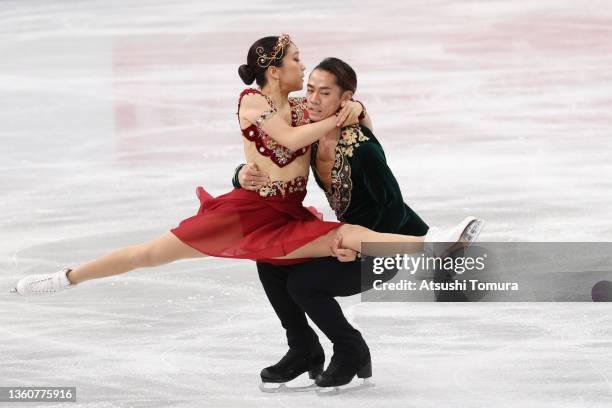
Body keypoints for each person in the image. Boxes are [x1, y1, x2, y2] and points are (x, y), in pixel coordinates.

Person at [11, 34, 482, 382]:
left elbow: (339, 113)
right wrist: (243, 176)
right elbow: (291, 139)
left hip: (286, 215)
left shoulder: (303, 106)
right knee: (150, 253)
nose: (304, 68)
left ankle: (429, 246)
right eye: (297, 60)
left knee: (340, 239)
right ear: (275, 69)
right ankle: (65, 278)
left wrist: (351, 112)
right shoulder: (253, 102)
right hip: (243, 213)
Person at [233, 56, 483, 389]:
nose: (312, 100)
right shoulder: (309, 135)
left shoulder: (362, 149)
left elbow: (393, 209)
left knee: (303, 284)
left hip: (383, 251)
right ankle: (303, 349)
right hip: (349, 238)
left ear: (344, 99)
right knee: (270, 262)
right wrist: (240, 174)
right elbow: (273, 154)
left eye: (324, 93)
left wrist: (363, 251)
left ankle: (350, 349)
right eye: (310, 90)